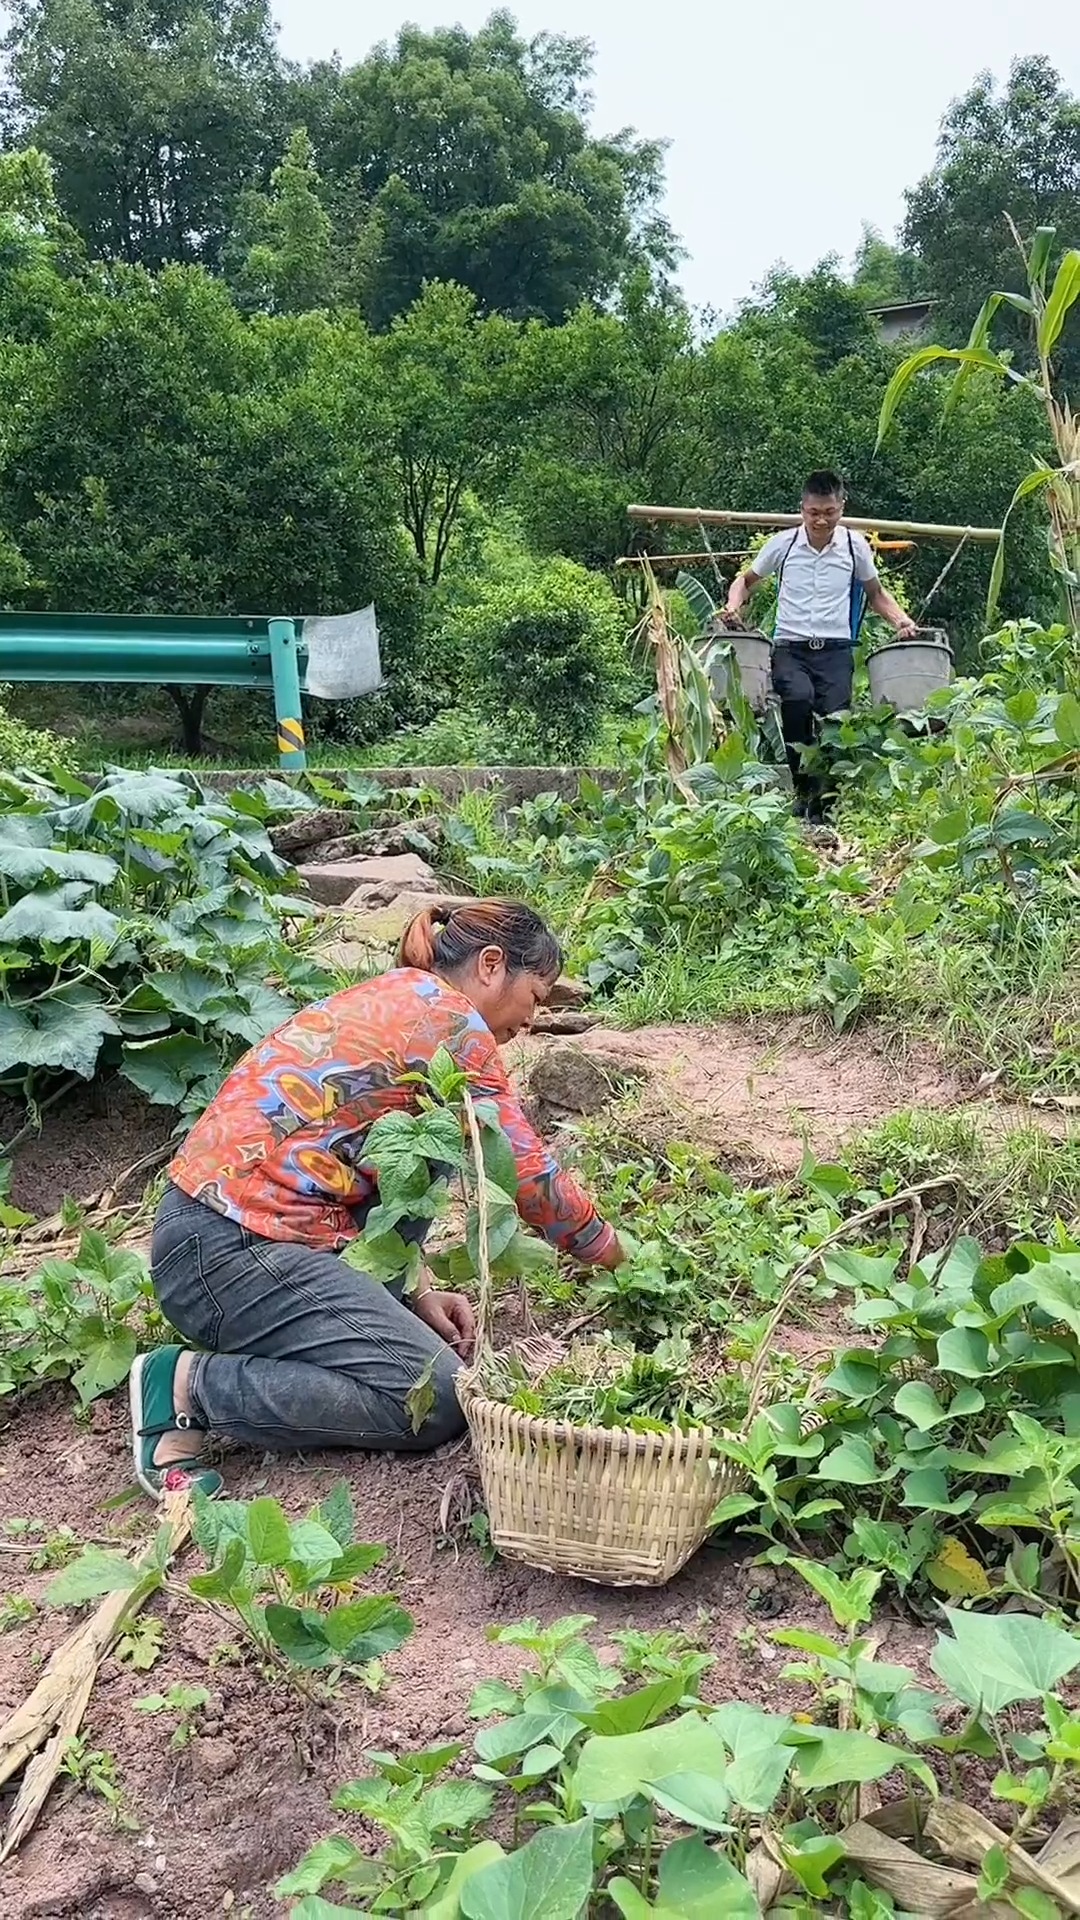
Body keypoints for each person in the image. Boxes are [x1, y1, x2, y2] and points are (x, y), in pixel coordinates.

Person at [130, 899, 628, 1499]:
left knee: (435, 1135)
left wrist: (410, 1290)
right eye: (537, 995)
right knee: (431, 1397)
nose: (530, 1018)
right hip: (233, 1249)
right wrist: (619, 1259)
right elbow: (526, 1173)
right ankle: (188, 1387)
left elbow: (374, 1171)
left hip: (224, 1236)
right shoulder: (452, 1023)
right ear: (492, 964)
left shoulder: (396, 998)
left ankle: (348, 1324)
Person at [725, 470, 917, 817]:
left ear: (841, 507)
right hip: (790, 647)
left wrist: (902, 621)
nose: (821, 520)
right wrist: (732, 606)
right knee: (797, 700)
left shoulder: (853, 545)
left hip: (835, 650)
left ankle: (826, 800)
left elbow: (875, 594)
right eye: (814, 512)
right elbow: (746, 581)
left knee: (836, 721)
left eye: (829, 512)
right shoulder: (782, 545)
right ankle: (802, 789)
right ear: (802, 509)